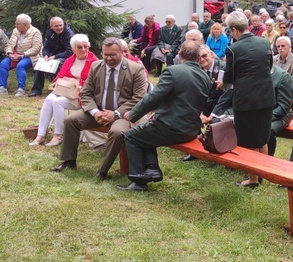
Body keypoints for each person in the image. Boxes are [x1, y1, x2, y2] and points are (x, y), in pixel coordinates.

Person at [116, 42, 211, 191]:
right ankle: (152, 169)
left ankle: (138, 180)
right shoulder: (204, 76)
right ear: (198, 58)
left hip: (172, 128)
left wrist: (133, 113)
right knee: (146, 131)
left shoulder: (172, 71)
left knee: (131, 136)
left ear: (179, 55)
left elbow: (153, 97)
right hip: (192, 130)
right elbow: (182, 99)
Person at [50, 37, 148, 179]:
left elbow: (139, 98)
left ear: (122, 52)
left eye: (112, 55)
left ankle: (103, 170)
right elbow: (86, 93)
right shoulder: (96, 66)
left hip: (123, 113)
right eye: (105, 54)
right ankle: (69, 161)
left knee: (117, 132)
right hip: (99, 111)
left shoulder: (136, 69)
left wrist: (114, 114)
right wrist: (95, 112)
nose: (108, 58)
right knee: (71, 120)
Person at [224, 11, 275, 188]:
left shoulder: (233, 49)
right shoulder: (263, 42)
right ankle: (262, 174)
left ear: (233, 30)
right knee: (262, 138)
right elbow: (269, 66)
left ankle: (253, 180)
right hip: (266, 96)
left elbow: (229, 77)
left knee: (249, 141)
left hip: (246, 100)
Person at [30, 34, 98, 147]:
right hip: (66, 90)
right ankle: (40, 135)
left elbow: (95, 84)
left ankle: (58, 135)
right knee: (49, 99)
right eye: (79, 47)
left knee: (58, 102)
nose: (83, 49)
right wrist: (65, 80)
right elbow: (60, 77)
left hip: (82, 96)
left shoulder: (94, 62)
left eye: (85, 46)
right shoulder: (69, 60)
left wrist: (77, 82)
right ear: (73, 49)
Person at [29, 16, 74, 97]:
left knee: (58, 63)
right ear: (51, 26)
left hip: (65, 57)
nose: (59, 27)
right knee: (40, 63)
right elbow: (46, 47)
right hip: (52, 57)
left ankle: (56, 89)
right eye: (56, 26)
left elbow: (70, 52)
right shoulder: (49, 32)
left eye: (61, 25)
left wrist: (55, 57)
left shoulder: (68, 33)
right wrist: (46, 55)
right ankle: (36, 90)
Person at [0, 14, 43, 96]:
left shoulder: (35, 32)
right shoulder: (15, 31)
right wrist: (9, 53)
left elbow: (36, 49)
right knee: (2, 65)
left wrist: (22, 55)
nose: (15, 25)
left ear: (26, 25)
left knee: (20, 66)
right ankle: (2, 88)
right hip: (14, 54)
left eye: (18, 24)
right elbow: (9, 44)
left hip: (30, 55)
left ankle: (21, 89)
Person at [267, 65, 293, 157]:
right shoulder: (255, 72)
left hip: (282, 114)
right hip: (262, 113)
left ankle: (268, 159)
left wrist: (265, 117)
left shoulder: (283, 77)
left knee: (268, 129)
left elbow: (284, 107)